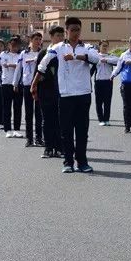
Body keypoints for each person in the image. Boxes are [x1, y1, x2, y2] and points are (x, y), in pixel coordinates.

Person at [36, 18, 100, 173]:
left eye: (78, 29)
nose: (75, 33)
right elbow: (43, 63)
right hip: (65, 94)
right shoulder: (58, 48)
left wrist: (77, 57)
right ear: (66, 31)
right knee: (66, 130)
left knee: (82, 130)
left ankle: (82, 162)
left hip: (83, 93)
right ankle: (68, 162)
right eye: (72, 30)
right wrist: (37, 80)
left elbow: (96, 59)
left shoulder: (87, 47)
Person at [32, 27, 64, 159]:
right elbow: (37, 73)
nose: (60, 38)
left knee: (60, 121)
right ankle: (48, 148)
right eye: (57, 36)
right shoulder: (44, 53)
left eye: (62, 35)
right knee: (47, 120)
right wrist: (35, 89)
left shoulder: (65, 53)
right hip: (45, 92)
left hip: (61, 93)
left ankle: (59, 148)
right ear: (51, 37)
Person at [14, 32, 43, 147]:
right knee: (28, 112)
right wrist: (15, 83)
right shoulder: (23, 53)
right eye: (36, 39)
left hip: (39, 85)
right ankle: (29, 138)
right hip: (26, 85)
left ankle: (39, 138)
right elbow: (18, 68)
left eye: (40, 39)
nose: (38, 41)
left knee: (39, 113)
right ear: (31, 40)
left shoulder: (42, 53)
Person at [0, 37, 24, 138]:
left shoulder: (21, 55)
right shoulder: (3, 54)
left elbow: (21, 67)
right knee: (7, 107)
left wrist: (11, 65)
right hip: (6, 83)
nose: (15, 47)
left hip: (18, 84)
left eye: (17, 45)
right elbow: (3, 65)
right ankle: (8, 129)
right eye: (13, 45)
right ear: (9, 45)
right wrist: (14, 65)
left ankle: (17, 129)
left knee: (17, 107)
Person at [94, 40, 119, 127]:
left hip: (108, 81)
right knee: (99, 102)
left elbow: (118, 61)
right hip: (98, 81)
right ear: (99, 47)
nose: (104, 47)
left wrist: (106, 60)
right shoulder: (95, 57)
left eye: (106, 46)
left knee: (107, 101)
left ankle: (106, 119)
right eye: (103, 46)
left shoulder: (111, 56)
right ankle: (101, 119)